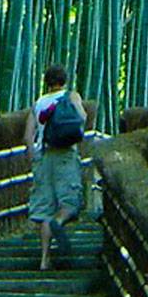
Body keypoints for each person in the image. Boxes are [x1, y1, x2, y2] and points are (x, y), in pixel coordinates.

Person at [24, 64, 88, 271]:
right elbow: (83, 118)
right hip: (65, 155)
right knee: (69, 202)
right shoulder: (71, 96)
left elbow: (28, 136)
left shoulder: (39, 103)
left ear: (47, 82)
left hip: (43, 156)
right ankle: (58, 223)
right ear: (64, 80)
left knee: (44, 210)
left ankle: (44, 260)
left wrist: (33, 158)